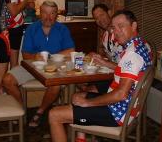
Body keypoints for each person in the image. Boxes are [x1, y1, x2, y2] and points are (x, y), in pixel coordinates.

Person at [49, 10, 152, 142]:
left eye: (121, 26)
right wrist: (104, 62)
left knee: (54, 114)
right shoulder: (140, 45)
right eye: (114, 28)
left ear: (134, 26)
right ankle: (81, 139)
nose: (116, 32)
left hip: (118, 112)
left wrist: (88, 103)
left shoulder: (132, 55)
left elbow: (121, 94)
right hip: (125, 105)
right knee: (77, 96)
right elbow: (129, 70)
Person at [3, 0, 75, 127]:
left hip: (56, 68)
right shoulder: (32, 28)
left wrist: (51, 57)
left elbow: (71, 50)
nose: (48, 17)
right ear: (40, 13)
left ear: (56, 15)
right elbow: (25, 55)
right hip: (33, 67)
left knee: (56, 85)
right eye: (45, 13)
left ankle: (39, 112)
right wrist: (35, 56)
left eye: (52, 13)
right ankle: (21, 110)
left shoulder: (62, 29)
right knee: (7, 80)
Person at [6, 0, 34, 68]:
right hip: (16, 22)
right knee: (14, 55)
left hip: (0, 24)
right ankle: (12, 80)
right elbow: (30, 4)